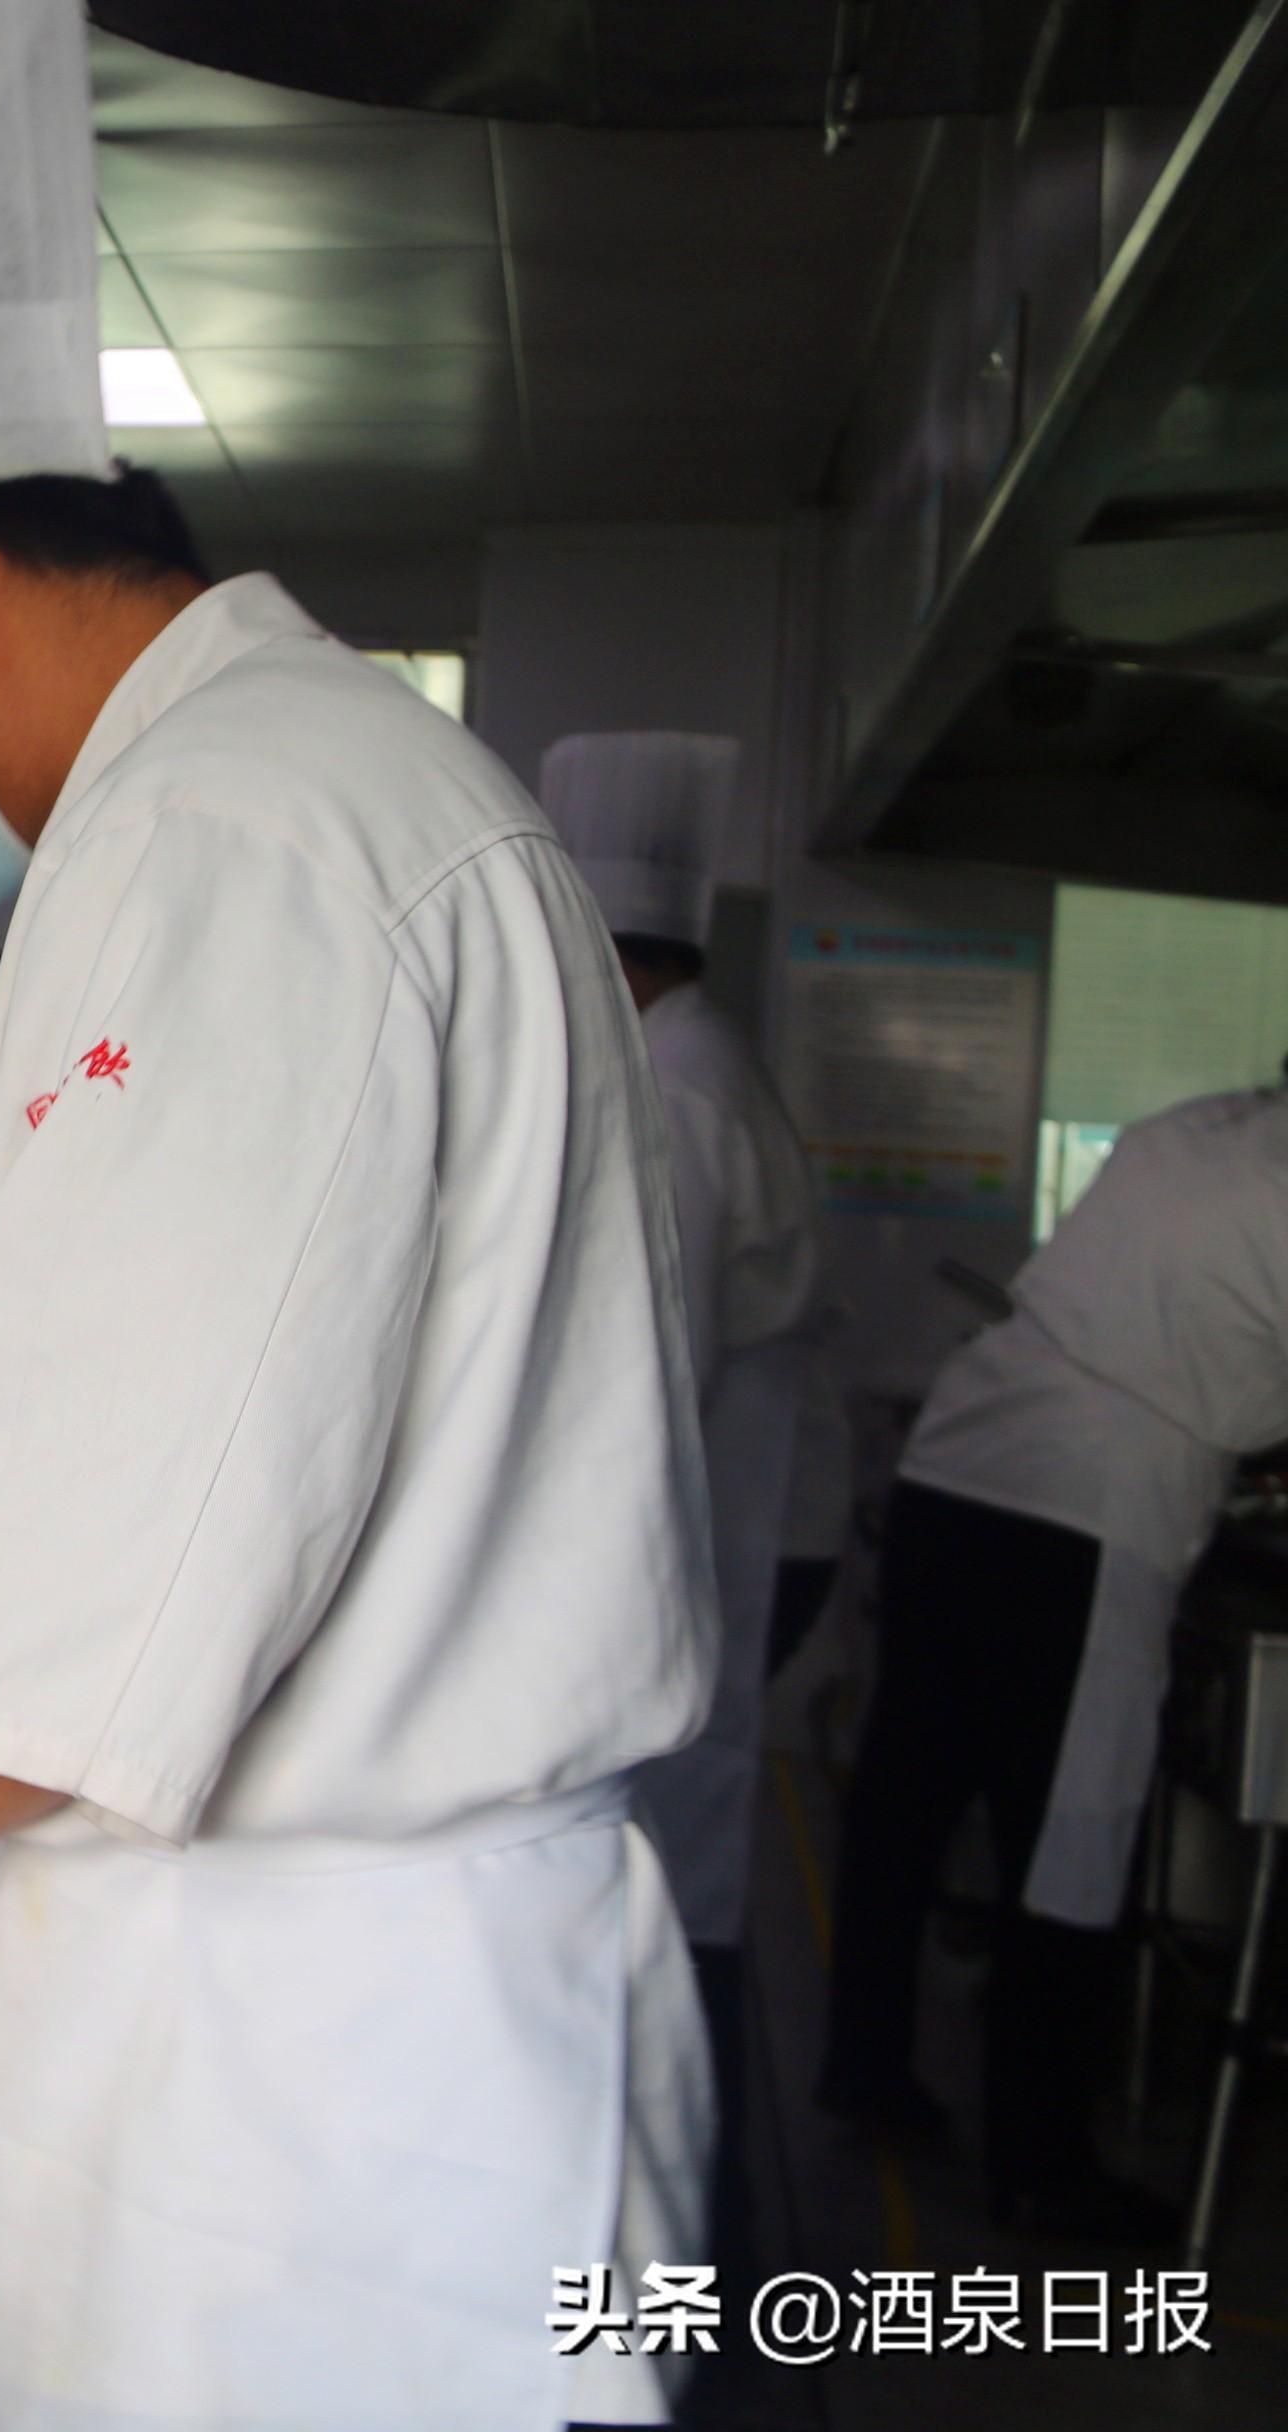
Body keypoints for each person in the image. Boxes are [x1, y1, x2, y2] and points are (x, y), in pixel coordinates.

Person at [0, 5, 718, 2425]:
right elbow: (117, 1443)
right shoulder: (316, 785)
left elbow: (119, 1577)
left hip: (312, 2130)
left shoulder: (221, 828)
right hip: (346, 2050)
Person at [823, 1079, 1288, 2239]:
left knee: (906, 1802)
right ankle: (1038, 2165)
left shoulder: (1191, 1128)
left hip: (960, 1462)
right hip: (1087, 1510)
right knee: (1067, 1844)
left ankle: (865, 2064)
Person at [544, 731, 822, 2269]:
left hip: (704, 1540)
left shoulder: (679, 1100)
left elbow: (656, 1381)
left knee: (678, 1910)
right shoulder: (690, 1066)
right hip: (725, 1528)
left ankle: (690, 2273)